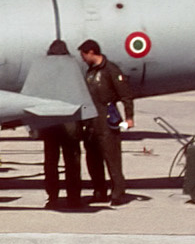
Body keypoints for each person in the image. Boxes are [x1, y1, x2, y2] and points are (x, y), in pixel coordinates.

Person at [78, 39, 135, 203]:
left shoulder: (111, 70)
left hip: (107, 120)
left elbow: (125, 95)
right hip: (91, 121)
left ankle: (118, 191)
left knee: (112, 158)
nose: (82, 58)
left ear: (91, 52)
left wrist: (129, 117)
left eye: (83, 54)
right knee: (93, 159)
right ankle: (99, 190)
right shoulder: (89, 72)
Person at [36, 40, 83, 208]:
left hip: (51, 123)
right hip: (69, 123)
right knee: (72, 162)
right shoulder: (74, 70)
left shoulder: (44, 72)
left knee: (51, 162)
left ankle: (53, 197)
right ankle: (74, 198)